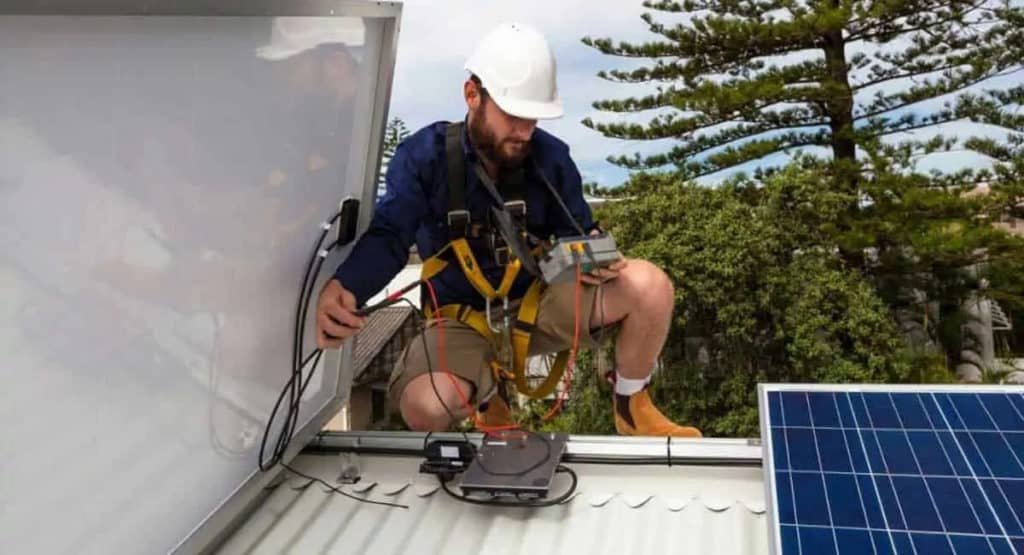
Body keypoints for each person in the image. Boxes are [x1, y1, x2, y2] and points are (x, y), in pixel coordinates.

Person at [316, 22, 701, 437]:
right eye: (513, 115)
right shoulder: (423, 158)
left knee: (650, 286)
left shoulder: (550, 159)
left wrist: (593, 254)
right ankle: (487, 396)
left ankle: (630, 405)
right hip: (461, 320)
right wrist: (348, 286)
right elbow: (390, 237)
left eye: (532, 117)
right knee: (425, 407)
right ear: (472, 95)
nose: (524, 131)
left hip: (539, 306)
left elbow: (578, 230)